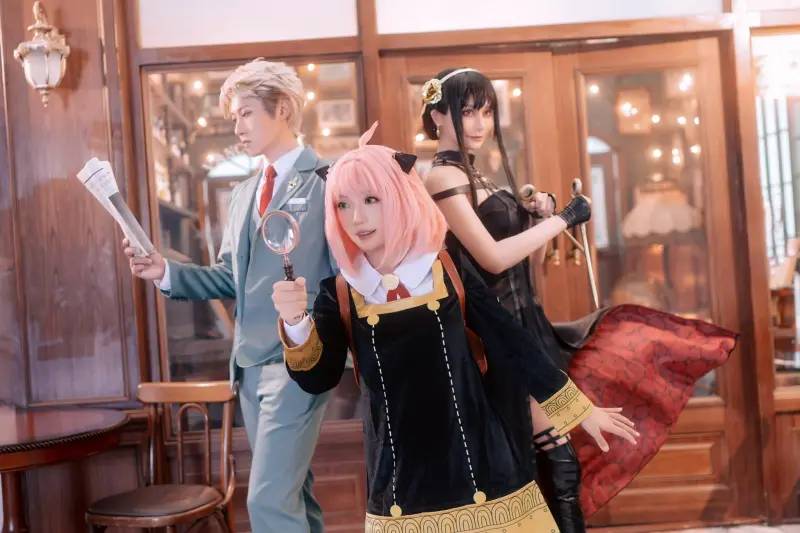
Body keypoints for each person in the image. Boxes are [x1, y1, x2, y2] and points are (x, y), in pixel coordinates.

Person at [271, 123, 639, 532]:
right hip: (400, 489)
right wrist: (295, 321)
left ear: (401, 197)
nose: (357, 218)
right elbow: (317, 379)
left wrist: (579, 410)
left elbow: (512, 342)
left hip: (482, 470)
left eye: (371, 199)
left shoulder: (447, 270)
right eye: (343, 204)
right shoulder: (340, 291)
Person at [420, 67, 738, 528]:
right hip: (494, 341)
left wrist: (535, 211)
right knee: (551, 460)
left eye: (486, 113)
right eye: (467, 112)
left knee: (555, 459)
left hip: (526, 328)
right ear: (436, 116)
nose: (479, 124)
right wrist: (562, 220)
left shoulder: (477, 174)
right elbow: (492, 258)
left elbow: (514, 252)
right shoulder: (441, 177)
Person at [124, 59, 334, 533]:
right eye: (233, 117)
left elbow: (344, 273)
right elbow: (228, 277)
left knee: (268, 501)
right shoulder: (242, 194)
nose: (237, 127)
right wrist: (164, 271)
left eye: (246, 113)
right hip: (249, 365)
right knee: (293, 495)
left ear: (282, 109)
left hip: (300, 359)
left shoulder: (327, 178)